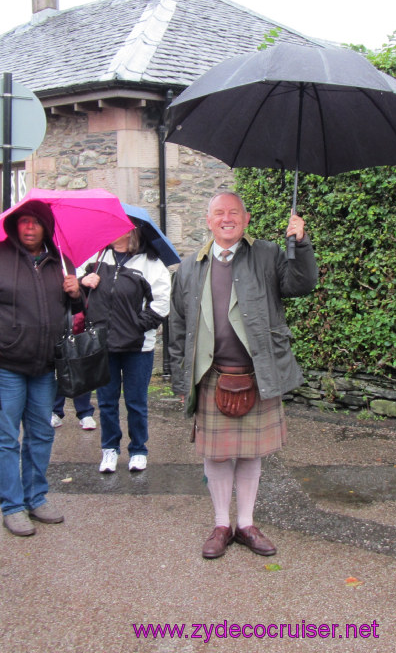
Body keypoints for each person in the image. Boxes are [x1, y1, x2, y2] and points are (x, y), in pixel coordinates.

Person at [168, 192, 317, 559]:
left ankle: (246, 524)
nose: (226, 218)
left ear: (246, 219)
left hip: (257, 372)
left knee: (251, 455)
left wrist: (301, 243)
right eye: (219, 213)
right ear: (208, 221)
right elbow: (176, 326)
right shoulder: (189, 268)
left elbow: (301, 284)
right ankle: (222, 524)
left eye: (234, 212)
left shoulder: (267, 255)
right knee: (216, 457)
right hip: (211, 375)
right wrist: (177, 377)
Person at [0, 201, 82, 537]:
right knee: (6, 439)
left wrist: (78, 294)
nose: (29, 228)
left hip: (44, 367)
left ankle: (36, 497)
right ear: (15, 226)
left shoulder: (60, 262)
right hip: (3, 366)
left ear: (46, 227)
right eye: (23, 222)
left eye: (35, 223)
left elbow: (79, 313)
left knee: (41, 434)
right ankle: (12, 506)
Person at [80, 226, 171, 473]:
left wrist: (136, 327)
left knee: (136, 401)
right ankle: (109, 449)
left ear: (132, 232)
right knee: (107, 401)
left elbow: (161, 304)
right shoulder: (96, 259)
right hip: (102, 344)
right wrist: (83, 282)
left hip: (137, 347)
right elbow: (73, 293)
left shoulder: (151, 264)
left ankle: (139, 449)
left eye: (120, 226)